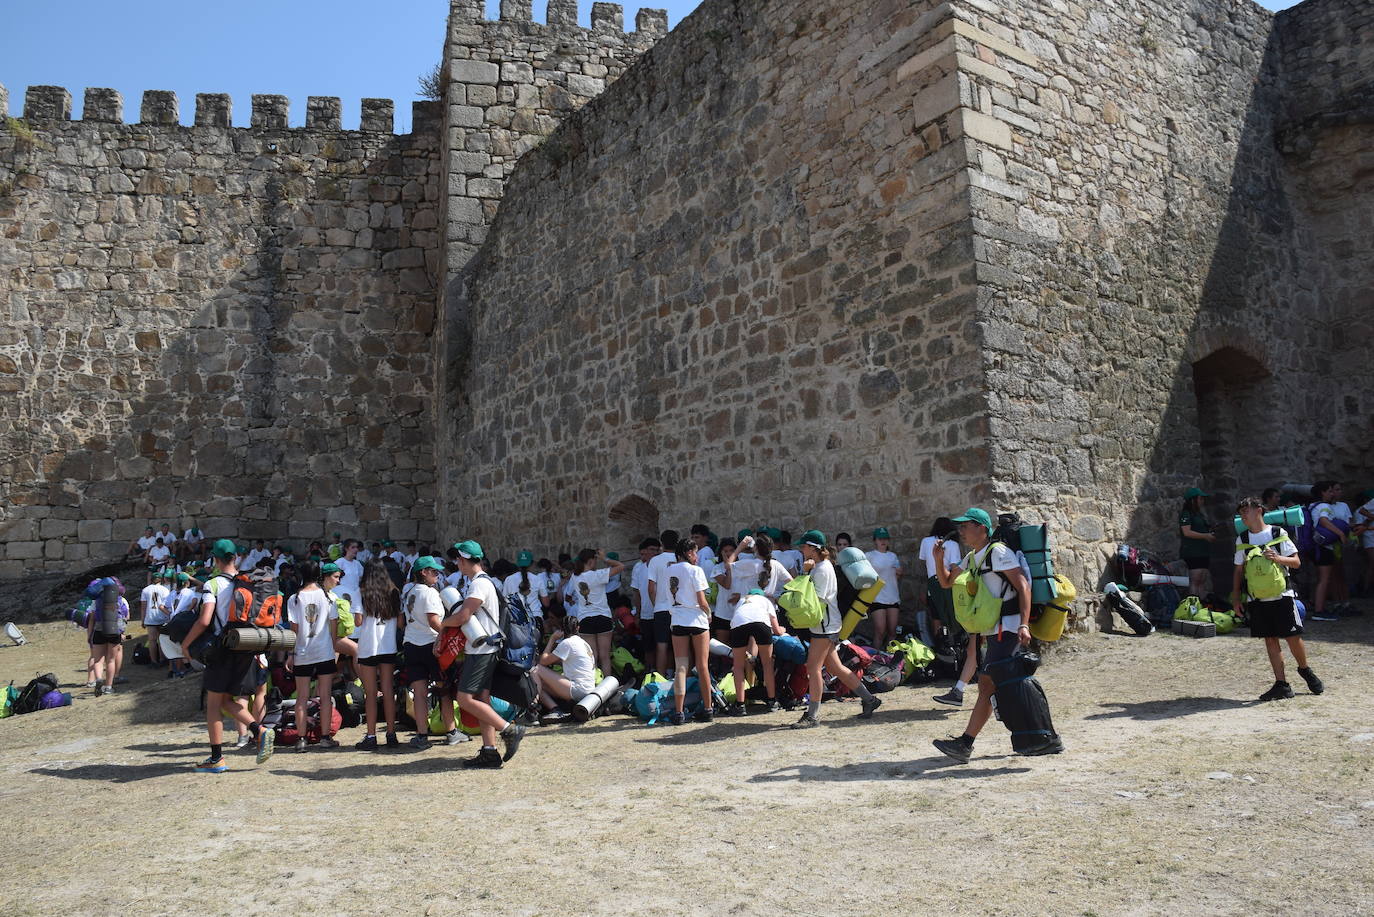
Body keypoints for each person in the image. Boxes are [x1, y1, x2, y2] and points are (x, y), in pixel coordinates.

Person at [932, 508, 1058, 762]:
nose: (962, 531)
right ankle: (965, 744)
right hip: (994, 631)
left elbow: (1023, 585)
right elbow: (946, 582)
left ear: (982, 528)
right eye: (961, 527)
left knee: (1008, 685)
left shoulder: (998, 552)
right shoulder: (972, 558)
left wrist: (1024, 624)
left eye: (966, 526)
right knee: (987, 687)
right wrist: (938, 558)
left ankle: (1046, 737)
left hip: (1008, 629)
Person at [180, 538, 274, 773]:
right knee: (225, 701)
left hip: (221, 648)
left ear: (216, 559)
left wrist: (186, 644)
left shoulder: (213, 585)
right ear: (236, 558)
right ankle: (259, 730)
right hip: (244, 646)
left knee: (213, 705)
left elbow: (204, 620)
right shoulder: (247, 581)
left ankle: (217, 758)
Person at [441, 540, 526, 768]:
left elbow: (462, 617)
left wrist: (442, 624)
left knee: (464, 699)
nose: (457, 563)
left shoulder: (479, 584)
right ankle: (489, 751)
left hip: (481, 650)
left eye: (459, 559)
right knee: (481, 699)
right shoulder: (480, 582)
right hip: (485, 648)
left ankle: (509, 729)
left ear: (466, 560)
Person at [1232, 496, 1323, 701]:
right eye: (1241, 512)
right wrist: (1236, 598)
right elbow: (1238, 571)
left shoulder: (1277, 533)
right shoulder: (1243, 539)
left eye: (1246, 510)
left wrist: (1277, 558)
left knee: (1293, 638)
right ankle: (1281, 684)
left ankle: (1304, 669)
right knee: (1270, 639)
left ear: (1259, 510)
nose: (1243, 515)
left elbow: (1296, 562)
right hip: (1257, 598)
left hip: (1282, 595)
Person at [793, 530, 880, 728]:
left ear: (813, 549)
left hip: (825, 627)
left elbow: (814, 599)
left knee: (812, 668)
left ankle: (813, 715)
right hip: (825, 625)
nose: (801, 549)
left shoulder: (822, 569)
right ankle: (870, 699)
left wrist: (804, 573)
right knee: (835, 668)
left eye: (804, 546)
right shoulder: (821, 566)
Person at [287, 560, 340, 751]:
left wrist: (290, 654)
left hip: (302, 651)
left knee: (302, 697)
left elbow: (294, 629)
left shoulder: (294, 598)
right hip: (324, 650)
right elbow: (334, 623)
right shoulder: (327, 597)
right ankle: (325, 736)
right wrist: (333, 646)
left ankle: (301, 738)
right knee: (325, 695)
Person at [922, 518, 975, 706]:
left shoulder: (926, 542)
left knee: (938, 620)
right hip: (953, 590)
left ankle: (942, 658)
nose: (961, 532)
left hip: (932, 583)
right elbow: (950, 574)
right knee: (969, 643)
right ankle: (958, 683)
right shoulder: (960, 550)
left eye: (965, 527)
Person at [401, 556, 452, 749]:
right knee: (443, 690)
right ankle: (452, 731)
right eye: (434, 571)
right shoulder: (429, 593)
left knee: (419, 693)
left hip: (412, 644)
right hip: (431, 645)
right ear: (424, 572)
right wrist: (447, 636)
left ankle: (422, 734)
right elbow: (433, 620)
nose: (437, 574)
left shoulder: (410, 592)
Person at [666, 537, 714, 725]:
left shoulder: (669, 570)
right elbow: (702, 600)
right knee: (702, 666)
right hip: (697, 619)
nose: (697, 556)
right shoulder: (696, 571)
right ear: (688, 553)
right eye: (695, 552)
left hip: (677, 619)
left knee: (681, 667)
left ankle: (678, 712)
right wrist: (709, 613)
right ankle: (708, 708)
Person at [354, 559, 401, 749]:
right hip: (388, 645)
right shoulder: (394, 592)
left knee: (371, 693)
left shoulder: (362, 592)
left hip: (368, 646)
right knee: (389, 690)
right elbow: (400, 623)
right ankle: (391, 734)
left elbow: (358, 621)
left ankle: (371, 736)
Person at [724, 588, 785, 715]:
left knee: (738, 666)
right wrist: (783, 629)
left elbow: (741, 619)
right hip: (761, 623)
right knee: (767, 664)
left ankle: (740, 705)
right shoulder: (766, 601)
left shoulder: (742, 600)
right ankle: (772, 701)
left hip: (738, 624)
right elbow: (777, 631)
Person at [567, 548, 624, 674]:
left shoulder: (575, 577)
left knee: (592, 657)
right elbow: (620, 566)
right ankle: (608, 686)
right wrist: (605, 559)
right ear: (591, 561)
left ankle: (593, 685)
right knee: (605, 657)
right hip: (603, 617)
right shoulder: (599, 574)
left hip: (585, 618)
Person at [532, 615, 596, 722]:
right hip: (588, 689)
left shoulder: (567, 643)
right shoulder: (583, 643)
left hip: (578, 689)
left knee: (536, 669)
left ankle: (533, 708)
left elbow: (543, 661)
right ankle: (555, 710)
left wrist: (552, 639)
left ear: (561, 629)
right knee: (538, 683)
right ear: (578, 628)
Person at [1309, 481, 1350, 620]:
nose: (1332, 494)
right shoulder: (1324, 506)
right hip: (1324, 547)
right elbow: (1323, 521)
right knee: (1325, 580)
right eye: (1330, 491)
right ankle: (1319, 611)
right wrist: (1341, 533)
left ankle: (1318, 606)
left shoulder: (1313, 506)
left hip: (1316, 546)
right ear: (1323, 493)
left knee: (1322, 579)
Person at [87, 577, 128, 697]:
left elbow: (92, 617)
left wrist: (90, 635)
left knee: (98, 660)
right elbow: (124, 616)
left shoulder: (97, 599)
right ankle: (108, 687)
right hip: (115, 629)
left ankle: (99, 679)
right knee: (110, 660)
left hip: (99, 628)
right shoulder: (120, 599)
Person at [646, 529, 680, 676]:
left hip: (661, 608)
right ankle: (676, 675)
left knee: (661, 645)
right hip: (679, 608)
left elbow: (651, 588)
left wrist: (656, 604)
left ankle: (660, 678)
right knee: (680, 646)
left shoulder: (655, 560)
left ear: (661, 543)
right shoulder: (681, 558)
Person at [865, 527, 902, 650]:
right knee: (880, 631)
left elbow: (898, 575)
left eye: (885, 538)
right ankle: (874, 659)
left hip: (893, 597)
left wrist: (899, 572)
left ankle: (890, 660)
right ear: (875, 540)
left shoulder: (893, 556)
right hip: (877, 598)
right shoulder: (869, 556)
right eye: (880, 538)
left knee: (892, 632)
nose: (883, 541)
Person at [1179, 486, 1217, 597]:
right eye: (1200, 498)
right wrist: (1205, 536)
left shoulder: (1199, 515)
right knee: (1195, 581)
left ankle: (1201, 608)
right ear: (1193, 500)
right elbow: (1186, 532)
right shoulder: (1186, 514)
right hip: (1193, 553)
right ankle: (1193, 608)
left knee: (1202, 581)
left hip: (1203, 552)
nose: (1202, 501)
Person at [504, 550, 550, 640]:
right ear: (532, 564)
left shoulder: (509, 579)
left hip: (517, 621)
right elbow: (546, 603)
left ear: (517, 563)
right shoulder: (538, 579)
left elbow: (505, 601)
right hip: (536, 619)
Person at [140, 568, 171, 666]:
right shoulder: (165, 589)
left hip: (150, 618)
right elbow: (167, 605)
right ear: (161, 580)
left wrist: (143, 620)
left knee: (152, 640)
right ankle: (163, 659)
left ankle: (154, 661)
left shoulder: (145, 590)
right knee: (161, 639)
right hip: (162, 617)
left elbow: (143, 607)